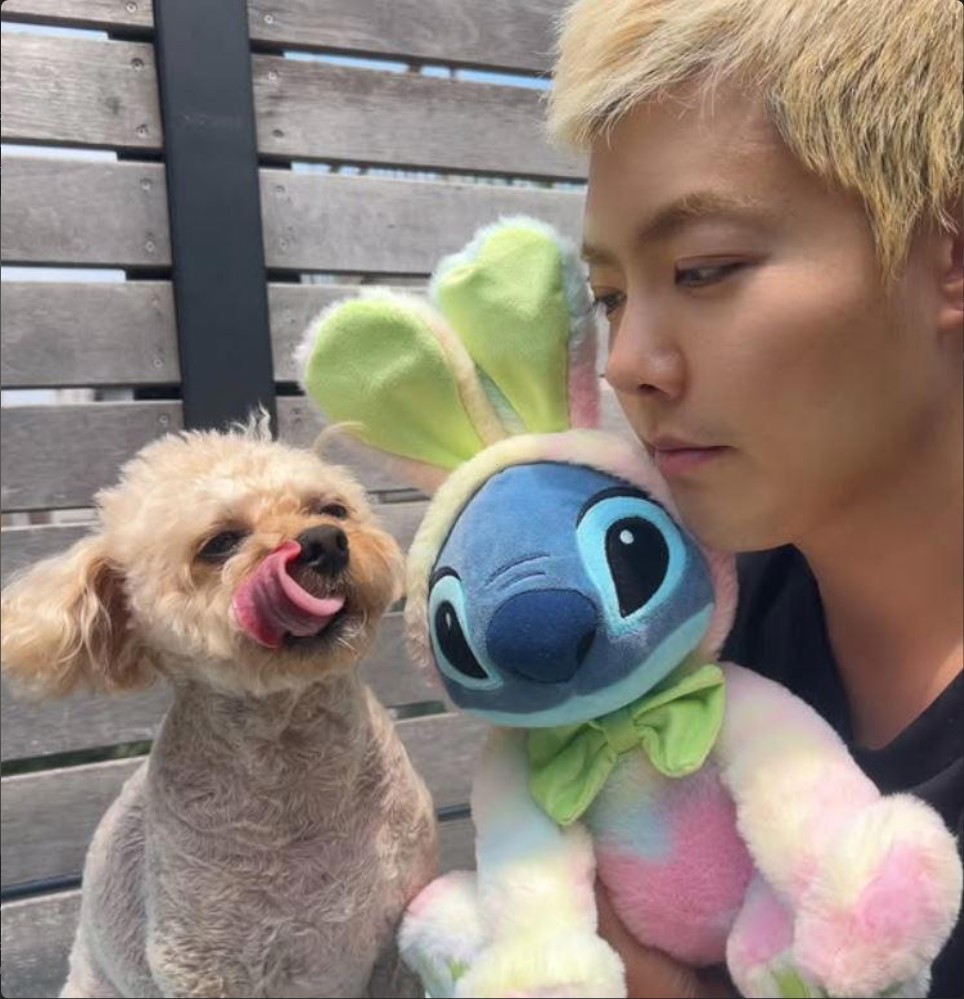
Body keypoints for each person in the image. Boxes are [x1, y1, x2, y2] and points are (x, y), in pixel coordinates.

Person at [547, 0, 963, 996]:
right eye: (610, 297)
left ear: (947, 254)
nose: (627, 363)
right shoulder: (667, 641)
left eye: (703, 270)